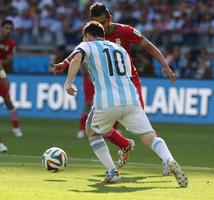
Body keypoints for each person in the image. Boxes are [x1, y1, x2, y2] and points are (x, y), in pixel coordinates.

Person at [52, 3, 175, 175]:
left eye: (104, 22)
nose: (101, 26)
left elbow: (148, 46)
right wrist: (65, 63)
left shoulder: (125, 31)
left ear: (110, 18)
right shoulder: (92, 35)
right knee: (106, 126)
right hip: (107, 85)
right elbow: (77, 53)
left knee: (139, 123)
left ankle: (164, 160)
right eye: (97, 23)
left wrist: (165, 66)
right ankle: (125, 145)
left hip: (129, 83)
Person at [65, 21, 187, 187]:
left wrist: (69, 83)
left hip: (107, 101)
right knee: (151, 137)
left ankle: (112, 172)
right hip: (131, 99)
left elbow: (77, 57)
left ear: (87, 36)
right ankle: (169, 160)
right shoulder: (120, 49)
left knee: (91, 131)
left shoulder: (87, 45)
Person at [0, 19, 23, 138]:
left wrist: (3, 75)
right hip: (2, 72)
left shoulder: (11, 43)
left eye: (10, 29)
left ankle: (16, 127)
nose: (8, 31)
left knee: (7, 100)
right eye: (6, 28)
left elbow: (8, 60)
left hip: (1, 73)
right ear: (1, 28)